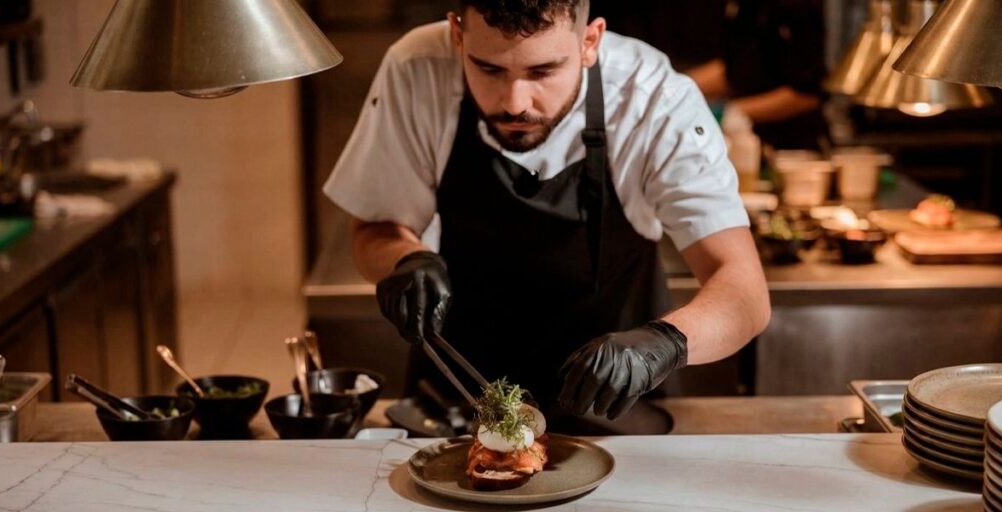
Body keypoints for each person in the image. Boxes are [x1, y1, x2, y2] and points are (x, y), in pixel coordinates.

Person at [325, 0, 770, 434]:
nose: (516, 103)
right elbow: (373, 231)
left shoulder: (653, 98)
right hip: (458, 403)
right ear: (457, 36)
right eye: (489, 69)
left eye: (543, 71)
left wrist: (664, 344)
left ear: (589, 41)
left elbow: (743, 291)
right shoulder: (417, 68)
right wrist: (405, 260)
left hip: (612, 409)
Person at [688, 0, 828, 150]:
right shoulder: (743, 6)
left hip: (794, 150)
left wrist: (728, 112)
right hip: (747, 142)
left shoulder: (798, 6)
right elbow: (735, 71)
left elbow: (806, 95)